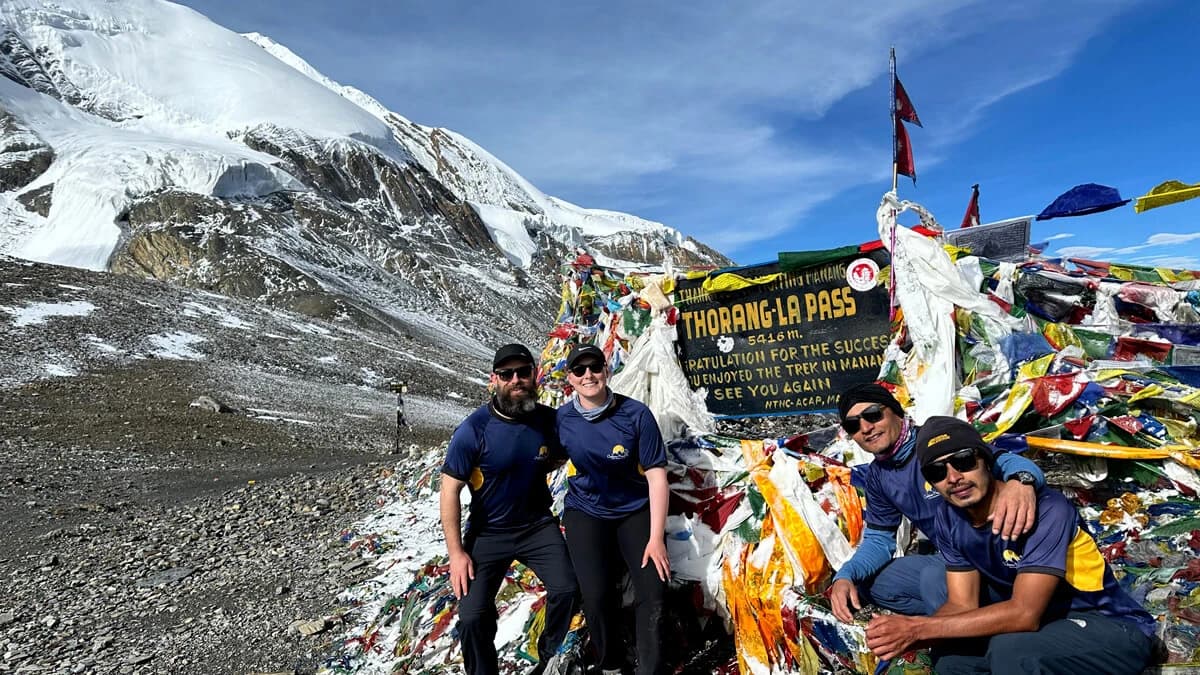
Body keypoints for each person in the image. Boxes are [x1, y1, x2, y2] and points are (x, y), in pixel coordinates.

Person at [866, 416, 1156, 673]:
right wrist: (906, 640)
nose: (953, 478)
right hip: (1045, 621)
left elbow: (1024, 614)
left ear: (987, 461)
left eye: (964, 461)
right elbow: (960, 603)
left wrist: (918, 629)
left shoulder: (1047, 510)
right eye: (937, 472)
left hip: (1108, 625)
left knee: (1012, 651)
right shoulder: (949, 515)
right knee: (951, 660)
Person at [829, 383, 1046, 624]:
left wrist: (1022, 482)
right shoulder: (878, 476)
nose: (866, 428)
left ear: (895, 411)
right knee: (874, 585)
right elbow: (880, 539)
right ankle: (971, 617)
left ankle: (967, 636)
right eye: (853, 425)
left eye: (872, 415)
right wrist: (845, 575)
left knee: (935, 578)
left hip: (995, 551)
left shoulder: (934, 442)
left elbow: (1003, 461)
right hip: (952, 556)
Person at [440, 343, 578, 675]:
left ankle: (548, 657)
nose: (516, 379)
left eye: (523, 372)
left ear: (535, 375)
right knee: (472, 616)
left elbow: (567, 451)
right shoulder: (473, 430)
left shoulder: (548, 420)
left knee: (568, 589)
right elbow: (449, 492)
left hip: (537, 527)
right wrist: (456, 553)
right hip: (488, 533)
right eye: (507, 374)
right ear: (495, 380)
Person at [556, 344, 670, 675]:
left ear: (607, 371)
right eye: (579, 370)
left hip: (633, 509)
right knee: (595, 592)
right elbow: (543, 456)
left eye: (594, 367)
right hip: (585, 510)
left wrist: (656, 538)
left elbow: (657, 477)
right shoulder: (562, 419)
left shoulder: (636, 415)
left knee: (654, 588)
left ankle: (650, 667)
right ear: (570, 379)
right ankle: (612, 663)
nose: (588, 375)